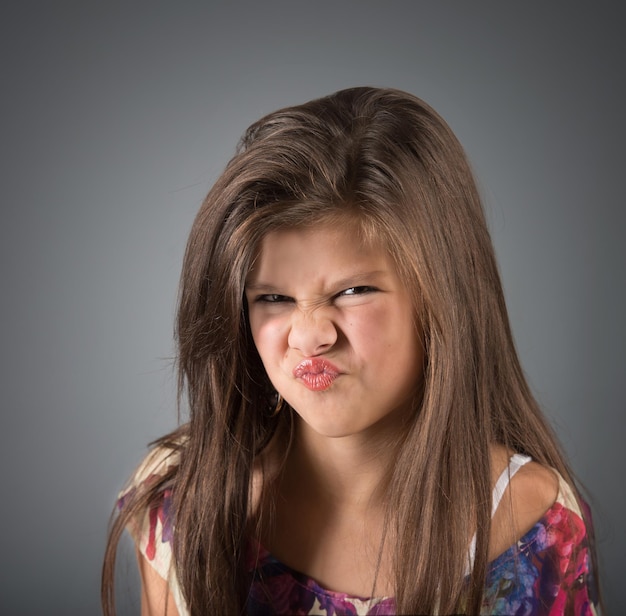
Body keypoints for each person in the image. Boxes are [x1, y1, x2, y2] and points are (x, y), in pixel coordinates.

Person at [102, 87, 600, 615]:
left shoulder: (535, 525)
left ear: (443, 298)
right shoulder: (185, 495)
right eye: (272, 298)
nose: (309, 334)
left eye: (353, 291)